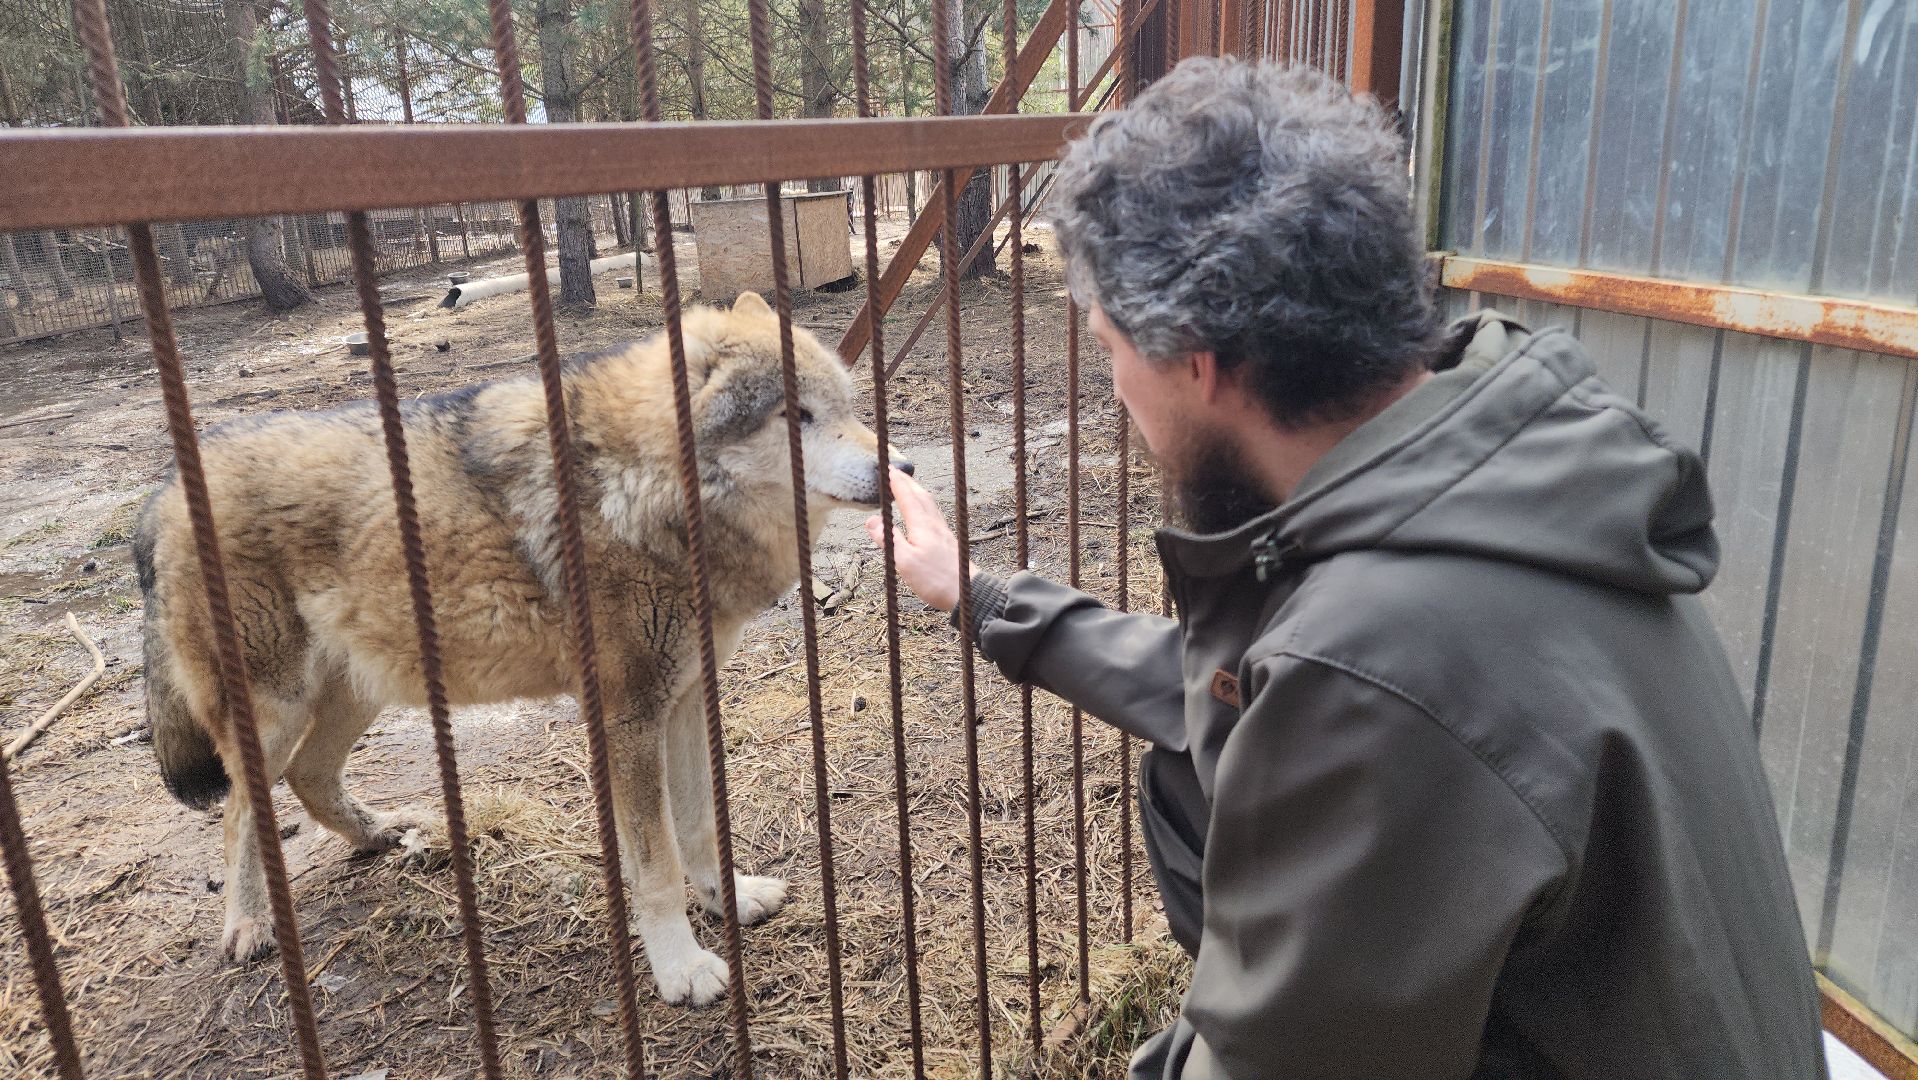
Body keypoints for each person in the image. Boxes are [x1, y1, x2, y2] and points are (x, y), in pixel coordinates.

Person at [863, 58, 1825, 1079]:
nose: (1116, 393)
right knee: (1195, 771)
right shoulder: (1500, 477)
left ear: (1196, 358)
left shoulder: (1382, 662)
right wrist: (980, 596)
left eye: (1108, 348)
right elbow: (1255, 689)